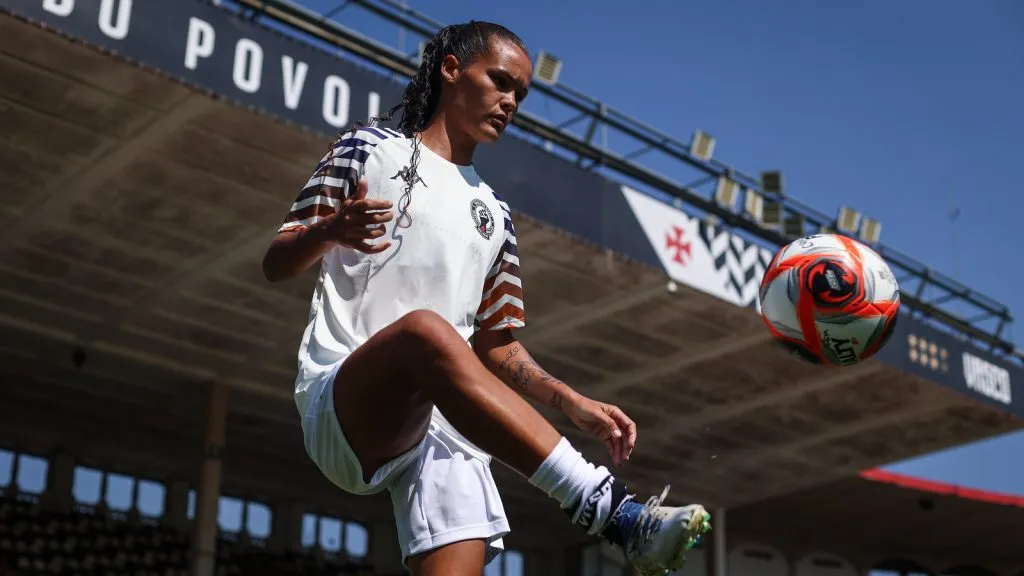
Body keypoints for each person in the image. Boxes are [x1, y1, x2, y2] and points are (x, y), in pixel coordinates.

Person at [262, 20, 711, 576]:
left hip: (443, 433)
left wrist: (568, 399)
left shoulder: (495, 215)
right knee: (425, 331)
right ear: (452, 69)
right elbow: (276, 263)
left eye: (520, 93)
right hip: (346, 404)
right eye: (500, 81)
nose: (510, 101)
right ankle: (614, 513)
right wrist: (330, 231)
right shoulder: (367, 150)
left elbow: (497, 344)